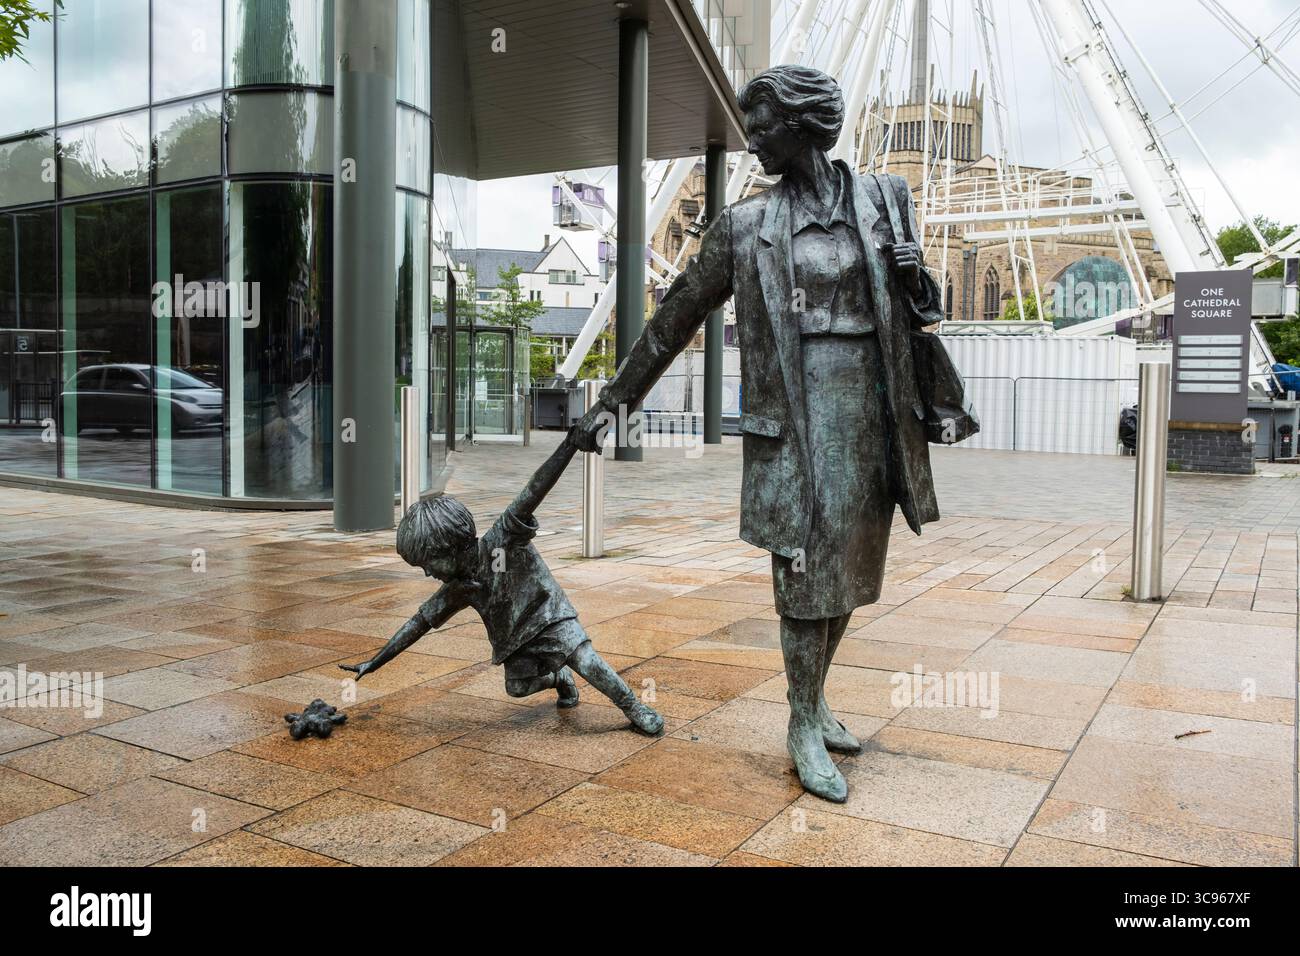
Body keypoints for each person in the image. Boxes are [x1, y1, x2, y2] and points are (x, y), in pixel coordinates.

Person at [569, 64, 947, 802]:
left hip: (872, 411)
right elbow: (674, 318)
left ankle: (817, 701)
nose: (752, 143)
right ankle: (802, 721)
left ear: (803, 126)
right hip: (795, 415)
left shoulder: (883, 198)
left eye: (763, 127)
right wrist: (614, 404)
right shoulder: (745, 226)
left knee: (851, 571)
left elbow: (923, 306)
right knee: (804, 570)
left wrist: (915, 274)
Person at [340, 440, 664, 736]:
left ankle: (634, 708)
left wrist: (570, 444)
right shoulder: (459, 587)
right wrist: (375, 661)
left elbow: (536, 486)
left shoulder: (503, 539)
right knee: (519, 689)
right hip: (514, 639)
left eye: (428, 564)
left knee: (588, 661)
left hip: (548, 615)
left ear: (451, 548)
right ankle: (559, 677)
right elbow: (418, 624)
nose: (427, 573)